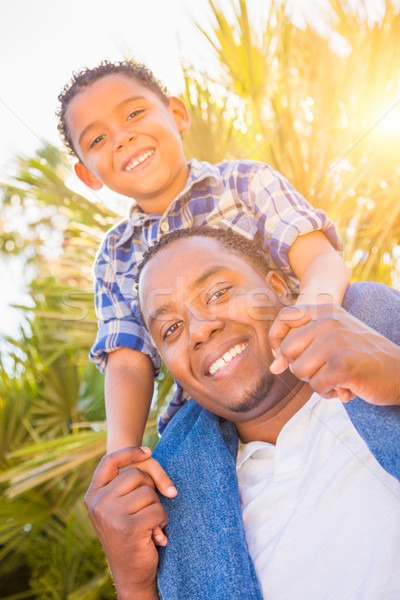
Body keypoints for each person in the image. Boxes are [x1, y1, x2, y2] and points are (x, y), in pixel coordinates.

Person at [57, 60, 349, 471]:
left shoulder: (245, 183)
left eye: (134, 113)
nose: (122, 137)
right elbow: (128, 357)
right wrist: (121, 453)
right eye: (99, 138)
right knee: (182, 469)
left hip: (299, 351)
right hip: (214, 402)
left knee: (367, 307)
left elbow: (317, 255)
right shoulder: (114, 255)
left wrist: (318, 308)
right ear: (88, 175)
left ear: (177, 114)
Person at [85, 227, 400, 600]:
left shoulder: (381, 342)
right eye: (171, 329)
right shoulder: (184, 506)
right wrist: (134, 583)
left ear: (280, 288)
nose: (199, 331)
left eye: (218, 293)